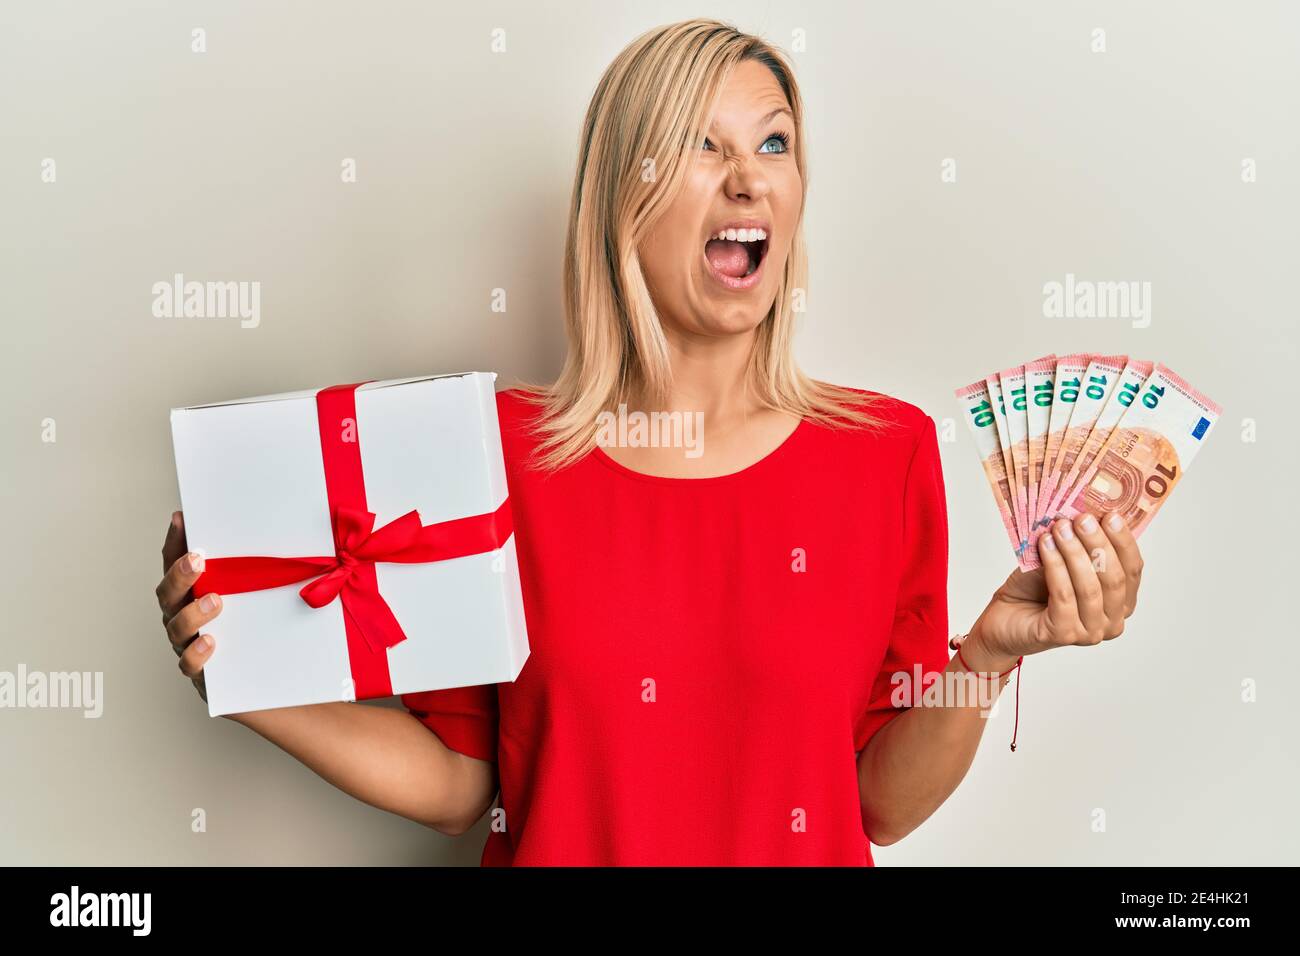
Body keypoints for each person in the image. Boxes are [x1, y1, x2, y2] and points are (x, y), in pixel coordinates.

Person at [155, 19, 1143, 866]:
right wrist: (237, 678)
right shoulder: (495, 454)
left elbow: (877, 804)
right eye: (701, 147)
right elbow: (462, 783)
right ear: (623, 199)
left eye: (773, 143)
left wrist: (989, 653)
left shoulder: (886, 453)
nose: (748, 180)